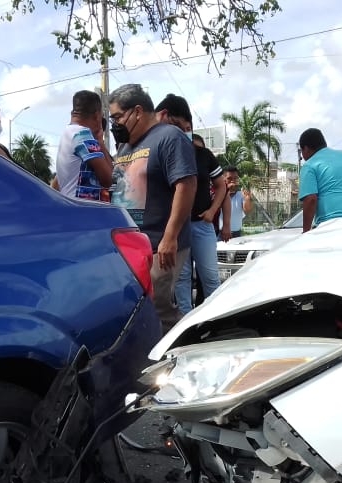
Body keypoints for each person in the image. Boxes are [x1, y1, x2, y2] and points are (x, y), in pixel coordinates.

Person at [108, 84, 197, 332]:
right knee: (137, 309)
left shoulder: (170, 137)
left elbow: (186, 185)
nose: (114, 125)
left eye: (117, 117)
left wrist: (170, 237)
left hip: (161, 245)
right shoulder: (125, 148)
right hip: (130, 245)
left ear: (137, 111)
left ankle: (180, 351)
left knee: (157, 306)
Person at [153, 94, 228, 315]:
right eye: (181, 127)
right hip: (178, 229)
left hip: (202, 226)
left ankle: (214, 321)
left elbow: (221, 185)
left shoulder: (203, 155)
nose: (183, 132)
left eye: (187, 128)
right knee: (182, 281)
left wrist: (212, 211)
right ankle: (187, 324)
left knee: (210, 277)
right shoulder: (165, 151)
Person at [53, 90, 114, 201]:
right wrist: (100, 142)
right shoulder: (83, 135)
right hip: (82, 209)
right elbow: (108, 179)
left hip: (70, 205)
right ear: (97, 116)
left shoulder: (68, 133)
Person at [222, 166, 252, 239]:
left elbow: (247, 210)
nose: (233, 181)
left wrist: (247, 199)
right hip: (220, 233)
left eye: (235, 178)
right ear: (223, 179)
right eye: (229, 178)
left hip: (236, 233)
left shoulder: (241, 194)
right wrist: (227, 190)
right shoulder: (219, 194)